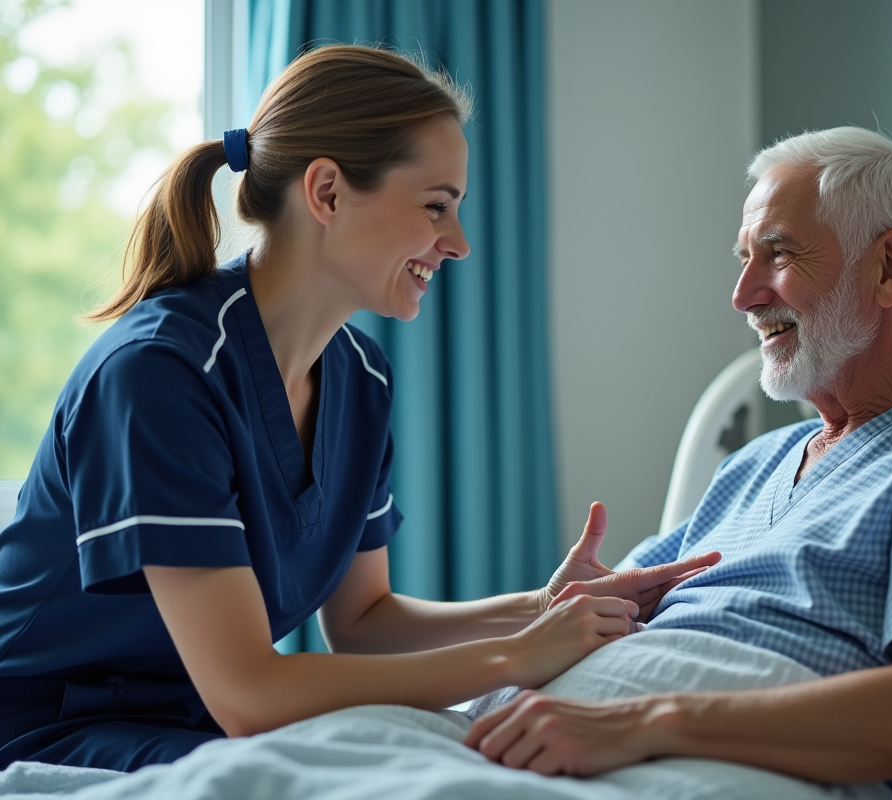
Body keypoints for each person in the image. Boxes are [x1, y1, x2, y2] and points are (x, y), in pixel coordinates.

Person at [0, 45, 717, 773]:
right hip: (43, 724)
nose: (461, 244)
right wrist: (515, 656)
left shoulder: (361, 380)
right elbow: (249, 692)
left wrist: (542, 605)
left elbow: (365, 622)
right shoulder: (157, 374)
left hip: (186, 722)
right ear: (328, 193)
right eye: (436, 206)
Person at [464, 127, 892, 800]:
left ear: (889, 269)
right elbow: (619, 610)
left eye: (777, 254)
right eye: (744, 257)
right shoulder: (755, 464)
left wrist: (643, 721)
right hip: (542, 738)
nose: (743, 294)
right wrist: (570, 604)